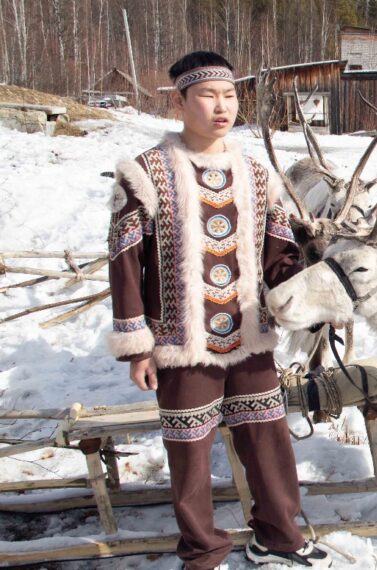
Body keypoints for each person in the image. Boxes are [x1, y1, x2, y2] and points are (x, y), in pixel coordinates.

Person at [106, 50, 331, 570]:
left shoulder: (256, 175)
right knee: (189, 455)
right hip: (180, 342)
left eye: (229, 95)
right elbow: (124, 262)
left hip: (249, 336)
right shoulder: (145, 174)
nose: (221, 106)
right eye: (207, 95)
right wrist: (137, 347)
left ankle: (278, 537)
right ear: (180, 102)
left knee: (269, 441)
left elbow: (279, 256)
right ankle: (203, 553)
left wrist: (314, 294)